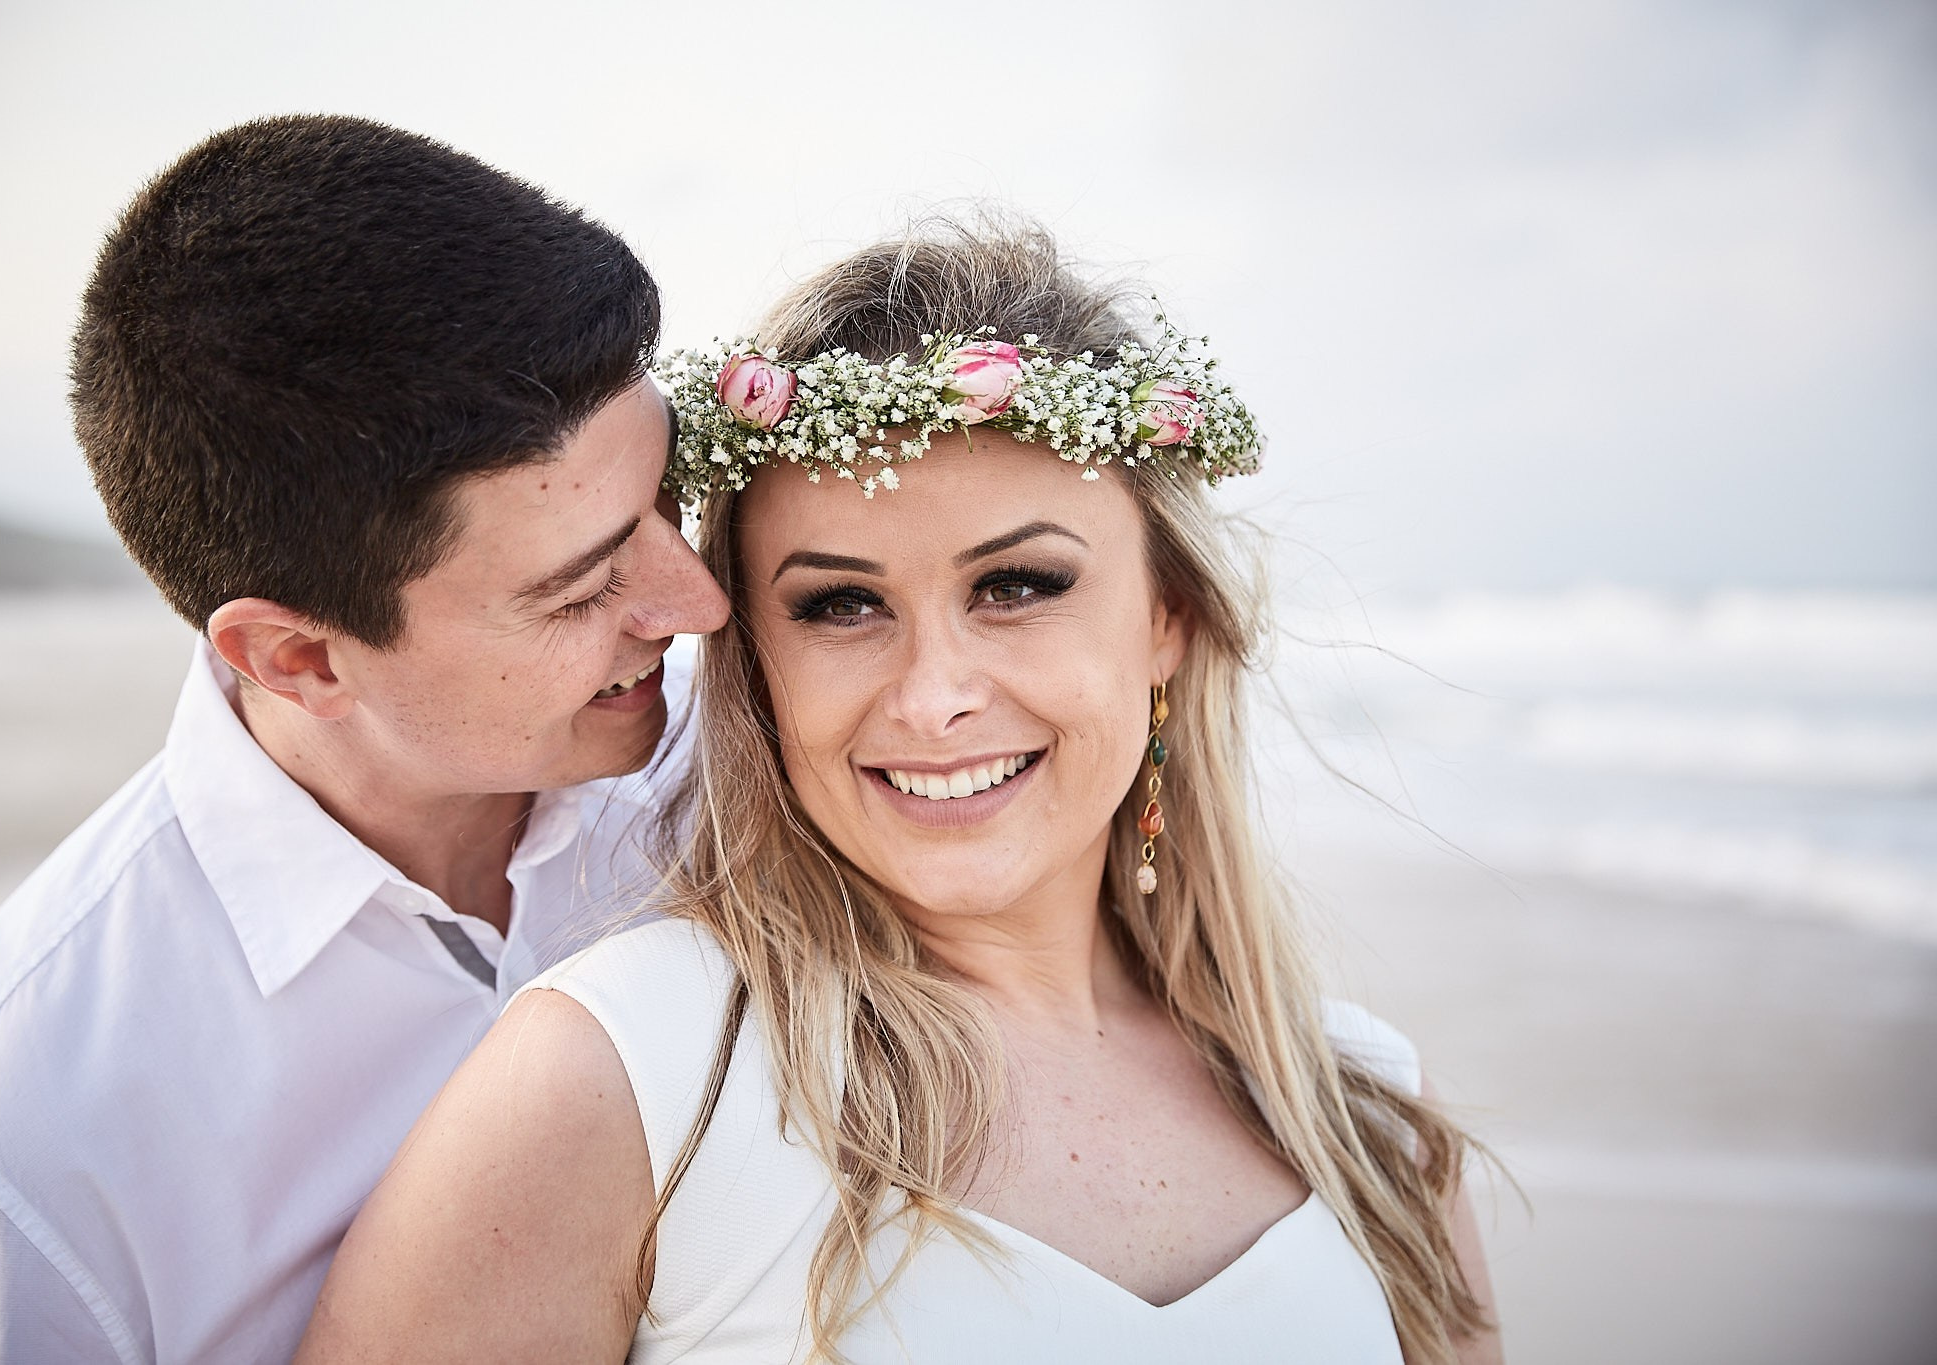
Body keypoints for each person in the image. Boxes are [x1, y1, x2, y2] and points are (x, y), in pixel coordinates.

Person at [299, 223, 1502, 1364]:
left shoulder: (1367, 1108)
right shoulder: (622, 1075)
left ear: (1166, 621)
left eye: (1018, 586)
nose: (931, 699)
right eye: (839, 605)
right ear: (755, 665)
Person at [0, 115, 728, 1362]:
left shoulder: (752, 769)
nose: (696, 607)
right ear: (300, 659)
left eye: (669, 500)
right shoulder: (20, 1156)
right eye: (577, 589)